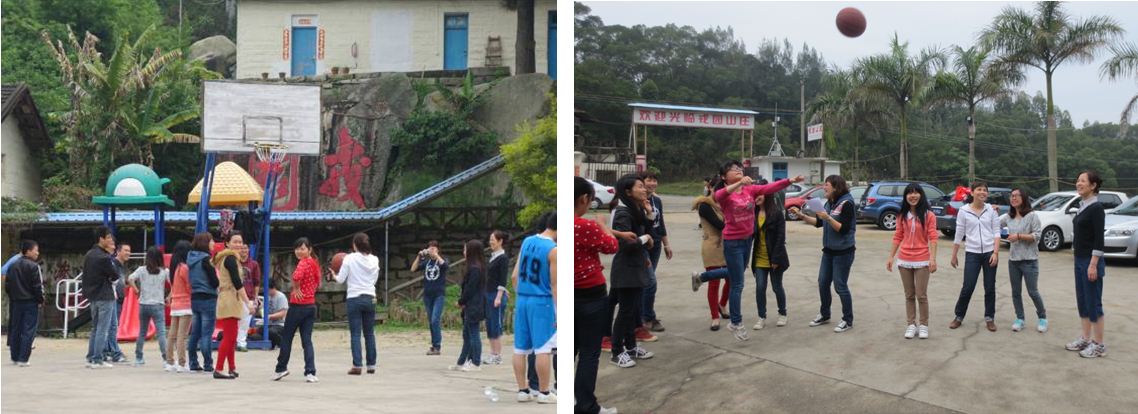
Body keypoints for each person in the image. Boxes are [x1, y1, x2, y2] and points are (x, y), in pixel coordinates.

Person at [692, 162, 802, 340]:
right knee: (738, 284)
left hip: (747, 240)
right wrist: (740, 182)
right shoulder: (723, 194)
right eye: (733, 169)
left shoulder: (749, 190)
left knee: (736, 273)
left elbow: (769, 188)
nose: (739, 170)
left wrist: (790, 180)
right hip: (733, 243)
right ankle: (736, 323)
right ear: (724, 177)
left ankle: (702, 277)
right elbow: (720, 195)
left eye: (740, 168)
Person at [574, 176, 623, 414]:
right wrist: (603, 225)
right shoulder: (585, 226)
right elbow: (611, 246)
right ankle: (586, 405)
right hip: (591, 294)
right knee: (589, 352)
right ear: (584, 198)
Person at [790, 175, 857, 333]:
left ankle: (847, 320)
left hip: (843, 252)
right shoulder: (829, 202)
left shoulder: (847, 203)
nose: (823, 187)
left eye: (826, 184)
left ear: (836, 187)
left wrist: (828, 218)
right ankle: (825, 314)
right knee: (822, 282)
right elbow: (819, 223)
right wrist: (801, 216)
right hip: (828, 251)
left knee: (840, 286)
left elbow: (843, 229)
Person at [608, 175, 655, 367]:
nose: (644, 190)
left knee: (632, 310)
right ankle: (616, 351)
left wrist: (649, 214)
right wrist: (645, 239)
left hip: (636, 266)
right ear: (628, 192)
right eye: (640, 187)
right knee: (626, 311)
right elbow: (625, 244)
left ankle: (631, 346)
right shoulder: (623, 213)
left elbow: (647, 231)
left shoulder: (635, 209)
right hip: (626, 269)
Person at [512, 211, 557, 404]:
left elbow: (514, 276)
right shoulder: (553, 249)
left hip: (522, 298)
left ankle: (522, 390)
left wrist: (521, 294)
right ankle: (544, 393)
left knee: (520, 348)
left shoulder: (527, 241)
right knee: (543, 348)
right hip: (542, 301)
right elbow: (555, 284)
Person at [885, 183, 939, 340]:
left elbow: (933, 237)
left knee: (921, 295)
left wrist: (932, 259)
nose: (913, 196)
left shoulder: (929, 215)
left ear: (921, 195)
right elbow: (898, 236)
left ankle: (923, 325)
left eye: (916, 193)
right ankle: (911, 324)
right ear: (906, 196)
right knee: (909, 295)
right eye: (909, 193)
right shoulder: (902, 215)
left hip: (922, 259)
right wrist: (891, 257)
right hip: (904, 260)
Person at [1066, 170, 1108, 358]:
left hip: (1090, 261)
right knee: (1083, 301)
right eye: (1078, 180)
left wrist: (1093, 264)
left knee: (1093, 302)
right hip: (1079, 259)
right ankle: (1085, 338)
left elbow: (1099, 240)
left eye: (1083, 181)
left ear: (1093, 185)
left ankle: (1099, 345)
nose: (1078, 183)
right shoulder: (1083, 206)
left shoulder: (1096, 208)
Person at [949, 181, 1000, 332]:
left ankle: (989, 318)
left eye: (985, 190)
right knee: (968, 286)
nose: (982, 192)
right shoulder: (964, 211)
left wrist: (995, 253)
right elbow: (959, 233)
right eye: (979, 189)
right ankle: (959, 316)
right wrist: (954, 255)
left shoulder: (991, 210)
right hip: (972, 253)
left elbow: (996, 232)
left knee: (989, 287)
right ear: (972, 192)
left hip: (989, 253)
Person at [274, 237, 321, 382]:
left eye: (302, 248)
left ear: (309, 249)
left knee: (287, 338)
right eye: (297, 248)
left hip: (297, 306)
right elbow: (318, 282)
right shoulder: (315, 263)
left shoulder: (303, 262)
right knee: (307, 340)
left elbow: (296, 276)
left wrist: (296, 288)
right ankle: (310, 372)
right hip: (311, 306)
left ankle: (281, 368)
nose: (299, 251)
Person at [334, 232, 380, 375]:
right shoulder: (375, 259)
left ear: (355, 245)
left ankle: (357, 365)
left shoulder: (349, 258)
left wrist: (334, 275)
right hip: (370, 297)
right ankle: (371, 365)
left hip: (354, 297)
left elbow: (341, 279)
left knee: (355, 333)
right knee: (369, 333)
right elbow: (374, 280)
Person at [1002, 188, 1047, 333]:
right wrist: (990, 210)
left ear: (1024, 198)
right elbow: (993, 224)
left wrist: (1019, 236)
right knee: (1016, 292)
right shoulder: (1008, 217)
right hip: (1013, 260)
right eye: (1012, 196)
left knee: (1033, 291)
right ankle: (1020, 319)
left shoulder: (1032, 216)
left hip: (1030, 260)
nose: (1013, 198)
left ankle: (1042, 318)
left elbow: (1037, 236)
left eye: (1017, 196)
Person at [692, 177, 730, 331]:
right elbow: (720, 225)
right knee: (714, 283)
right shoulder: (704, 205)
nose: (721, 193)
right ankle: (715, 317)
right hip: (712, 246)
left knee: (732, 279)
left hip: (727, 245)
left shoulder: (725, 203)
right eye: (718, 189)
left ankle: (722, 304)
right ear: (710, 188)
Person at [213, 234, 253, 379]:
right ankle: (219, 368)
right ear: (227, 243)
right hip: (230, 298)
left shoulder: (228, 258)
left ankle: (232, 367)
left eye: (240, 242)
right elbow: (237, 282)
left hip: (229, 298)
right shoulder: (230, 258)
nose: (238, 244)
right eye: (235, 242)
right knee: (229, 337)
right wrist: (248, 302)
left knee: (232, 336)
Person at [752, 189, 790, 330]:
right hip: (759, 258)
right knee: (760, 287)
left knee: (776, 287)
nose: (757, 197)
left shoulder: (777, 213)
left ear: (767, 195)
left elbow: (781, 238)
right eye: (755, 195)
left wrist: (775, 259)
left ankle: (782, 313)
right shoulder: (753, 213)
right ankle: (761, 317)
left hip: (774, 258)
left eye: (759, 194)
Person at [83, 226, 119, 369]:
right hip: (105, 296)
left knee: (95, 328)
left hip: (93, 296)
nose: (110, 240)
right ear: (101, 239)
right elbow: (115, 275)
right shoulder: (104, 257)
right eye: (108, 237)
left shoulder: (89, 254)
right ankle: (97, 359)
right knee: (103, 329)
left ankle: (91, 357)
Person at [639, 170, 670, 334]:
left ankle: (642, 315)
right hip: (642, 244)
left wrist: (666, 244)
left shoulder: (657, 200)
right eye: (649, 180)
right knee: (650, 282)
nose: (652, 183)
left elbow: (661, 223)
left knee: (646, 281)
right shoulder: (637, 201)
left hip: (656, 244)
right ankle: (648, 317)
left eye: (654, 180)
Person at [128, 246, 169, 367]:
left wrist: (136, 290)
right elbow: (174, 284)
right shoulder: (164, 271)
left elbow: (130, 278)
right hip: (158, 305)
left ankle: (139, 357)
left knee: (142, 332)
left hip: (143, 305)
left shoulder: (141, 270)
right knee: (161, 333)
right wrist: (169, 296)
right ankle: (166, 358)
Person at [451, 239, 487, 372]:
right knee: (467, 335)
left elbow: (470, 289)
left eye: (466, 249)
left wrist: (461, 301)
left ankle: (476, 362)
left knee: (473, 334)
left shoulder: (475, 269)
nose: (464, 252)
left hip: (474, 305)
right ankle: (461, 362)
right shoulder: (474, 267)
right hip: (470, 305)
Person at [186, 232, 219, 373]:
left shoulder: (190, 258)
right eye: (212, 241)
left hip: (195, 297)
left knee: (195, 333)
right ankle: (208, 364)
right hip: (208, 298)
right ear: (206, 243)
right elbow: (214, 282)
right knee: (206, 334)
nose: (214, 243)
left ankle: (193, 362)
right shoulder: (206, 260)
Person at [6, 240, 42, 367]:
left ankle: (14, 357)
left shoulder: (12, 266)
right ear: (28, 251)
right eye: (36, 250)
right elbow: (37, 286)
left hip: (16, 302)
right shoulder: (34, 266)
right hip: (30, 302)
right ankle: (23, 358)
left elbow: (8, 285)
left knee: (16, 329)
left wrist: (13, 297)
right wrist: (40, 300)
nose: (37, 253)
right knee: (28, 330)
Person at [411, 240, 447, 355]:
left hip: (439, 295)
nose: (431, 250)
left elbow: (445, 266)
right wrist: (419, 256)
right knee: (431, 321)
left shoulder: (442, 260)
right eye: (430, 248)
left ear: (438, 249)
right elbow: (413, 269)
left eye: (434, 248)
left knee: (435, 319)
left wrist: (436, 255)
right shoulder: (427, 263)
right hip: (427, 296)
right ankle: (434, 345)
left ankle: (437, 346)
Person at [165, 240, 193, 373]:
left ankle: (169, 361)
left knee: (172, 335)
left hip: (175, 304)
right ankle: (182, 363)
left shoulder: (174, 268)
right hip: (185, 304)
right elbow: (189, 286)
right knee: (182, 335)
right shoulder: (184, 268)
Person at [484, 230, 511, 365]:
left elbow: (502, 279)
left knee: (496, 325)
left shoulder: (503, 258)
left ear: (500, 241)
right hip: (488, 293)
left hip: (496, 295)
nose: (491, 242)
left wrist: (499, 297)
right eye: (490, 240)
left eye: (493, 240)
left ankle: (497, 355)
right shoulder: (493, 257)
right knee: (489, 324)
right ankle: (492, 353)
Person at [104, 243, 131, 363]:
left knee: (112, 326)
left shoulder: (121, 265)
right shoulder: (113, 264)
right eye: (125, 250)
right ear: (118, 252)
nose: (128, 253)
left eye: (129, 251)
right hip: (113, 298)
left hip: (119, 299)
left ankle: (108, 350)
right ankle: (114, 352)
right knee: (112, 327)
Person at [234, 232, 261, 352]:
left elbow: (256, 282)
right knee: (234, 321)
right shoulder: (234, 262)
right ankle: (234, 341)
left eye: (246, 248)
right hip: (235, 297)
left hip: (249, 296)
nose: (244, 250)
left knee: (245, 322)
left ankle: (241, 343)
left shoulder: (253, 264)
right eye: (242, 248)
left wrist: (255, 298)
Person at [257, 282, 289, 349]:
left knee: (270, 332)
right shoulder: (267, 297)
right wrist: (259, 308)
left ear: (273, 288)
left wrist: (270, 316)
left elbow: (283, 313)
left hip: (280, 324)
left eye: (268, 290)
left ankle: (282, 343)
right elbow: (263, 310)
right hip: (269, 323)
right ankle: (273, 342)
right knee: (259, 331)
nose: (266, 292)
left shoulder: (281, 297)